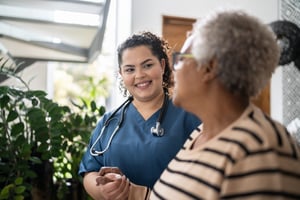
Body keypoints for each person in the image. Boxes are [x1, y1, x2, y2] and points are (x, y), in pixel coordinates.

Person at [150, 9, 300, 199]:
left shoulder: (259, 148)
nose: (173, 69)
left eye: (180, 60)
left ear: (209, 68)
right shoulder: (199, 134)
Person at [78, 31, 201, 200]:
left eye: (147, 65)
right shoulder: (109, 122)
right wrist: (104, 191)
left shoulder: (190, 117)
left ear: (162, 65)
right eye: (130, 69)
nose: (140, 75)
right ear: (121, 74)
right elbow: (89, 172)